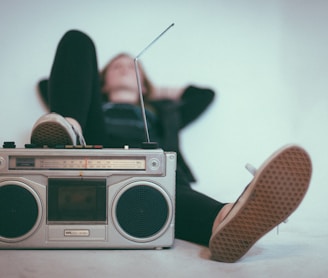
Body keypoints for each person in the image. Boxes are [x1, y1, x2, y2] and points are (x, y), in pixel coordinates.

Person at [31, 30, 312, 263]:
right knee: (77, 39)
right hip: (95, 150)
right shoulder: (95, 106)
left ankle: (226, 218)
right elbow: (49, 84)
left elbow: (204, 95)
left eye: (133, 68)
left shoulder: (165, 112)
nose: (125, 69)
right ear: (102, 81)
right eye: (117, 67)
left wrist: (153, 91)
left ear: (144, 85)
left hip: (153, 169)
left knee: (169, 188)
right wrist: (88, 94)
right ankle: (70, 130)